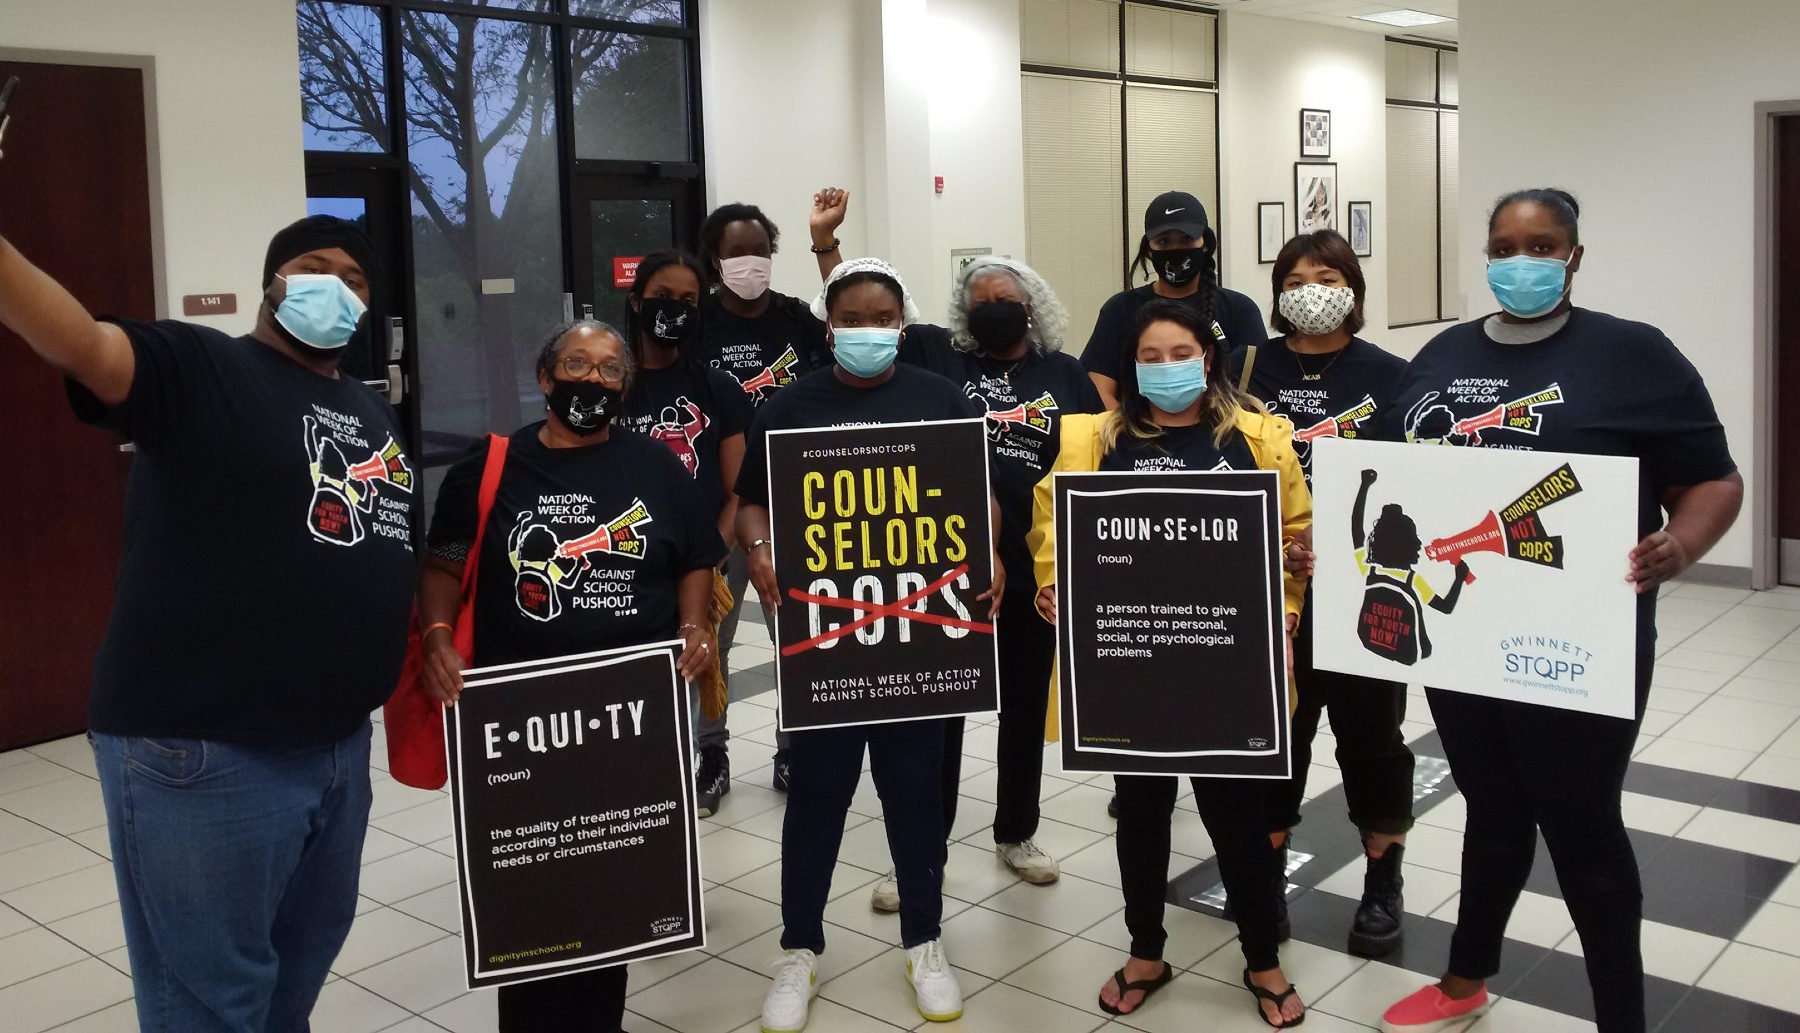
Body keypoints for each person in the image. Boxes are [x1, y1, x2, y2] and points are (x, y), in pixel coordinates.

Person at [0, 205, 414, 1029]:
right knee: (211, 1005)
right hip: (208, 753)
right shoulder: (201, 367)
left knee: (293, 978)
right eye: (316, 269)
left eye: (356, 279)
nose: (335, 287)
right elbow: (82, 343)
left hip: (335, 748)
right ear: (273, 282)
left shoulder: (367, 411)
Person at [1368, 189, 1742, 1033]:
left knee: (1582, 828)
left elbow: (1714, 478)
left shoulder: (1634, 355)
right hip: (1463, 641)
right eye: (1504, 245)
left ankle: (1623, 1021)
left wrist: (1680, 544)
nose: (1520, 260)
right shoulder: (1442, 355)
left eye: (1541, 245)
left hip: (1580, 640)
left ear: (1574, 255)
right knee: (1491, 806)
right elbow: (1396, 477)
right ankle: (1465, 980)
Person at [418, 319, 723, 1033]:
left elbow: (696, 557)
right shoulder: (489, 466)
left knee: (610, 887)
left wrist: (695, 623)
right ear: (546, 377)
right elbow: (442, 563)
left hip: (629, 714)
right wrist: (437, 636)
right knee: (532, 897)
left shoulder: (655, 466)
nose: (593, 380)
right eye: (577, 364)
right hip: (520, 717)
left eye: (610, 369)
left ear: (625, 386)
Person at [1028, 300, 1311, 1028]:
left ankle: (1262, 957)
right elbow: (1051, 522)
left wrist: (1288, 590)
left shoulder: (1258, 437)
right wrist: (1052, 579)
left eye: (1179, 351)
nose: (1165, 367)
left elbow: (1296, 536)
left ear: (1208, 358)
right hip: (1134, 668)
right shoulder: (1095, 438)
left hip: (1228, 668)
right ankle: (1146, 949)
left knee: (1237, 819)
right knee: (1142, 814)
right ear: (1130, 365)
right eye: (1149, 356)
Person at [736, 260, 998, 1031]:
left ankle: (925, 938)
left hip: (918, 640)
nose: (867, 329)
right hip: (828, 644)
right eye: (851, 316)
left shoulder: (939, 396)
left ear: (902, 323)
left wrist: (993, 549)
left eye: (882, 316)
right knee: (816, 796)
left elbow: (973, 488)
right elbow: (751, 501)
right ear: (828, 326)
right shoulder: (788, 406)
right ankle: (798, 947)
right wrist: (756, 549)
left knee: (915, 795)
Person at [1238, 230, 1417, 957]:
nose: (1312, 287)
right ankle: (1267, 870)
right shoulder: (1245, 365)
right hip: (1269, 590)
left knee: (1373, 739)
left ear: (1352, 287)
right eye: (1296, 276)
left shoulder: (1395, 374)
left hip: (1364, 592)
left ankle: (1383, 880)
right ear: (1278, 292)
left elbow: (1415, 484)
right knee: (1275, 737)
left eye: (1327, 274)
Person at [695, 201, 830, 792]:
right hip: (719, 510)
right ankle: (711, 754)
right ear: (714, 260)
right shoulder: (697, 324)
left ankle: (793, 749)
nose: (750, 263)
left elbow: (852, 319)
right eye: (736, 253)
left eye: (760, 251)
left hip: (793, 506)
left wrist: (825, 245)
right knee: (712, 640)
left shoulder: (797, 320)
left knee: (795, 637)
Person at [614, 249, 754, 817]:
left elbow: (737, 488)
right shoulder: (610, 384)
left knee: (705, 658)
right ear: (636, 303)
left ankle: (711, 756)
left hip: (705, 557)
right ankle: (641, 767)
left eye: (689, 302)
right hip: (627, 562)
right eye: (663, 299)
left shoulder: (715, 387)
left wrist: (713, 554)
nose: (674, 311)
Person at [1078, 191, 1267, 409]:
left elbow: (1258, 386)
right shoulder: (1119, 310)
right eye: (1163, 242)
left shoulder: (1239, 310)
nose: (1175, 249)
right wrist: (1131, 434)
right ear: (1149, 248)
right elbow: (1098, 390)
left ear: (1205, 244)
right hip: (1138, 436)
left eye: (1186, 239)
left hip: (1221, 437)